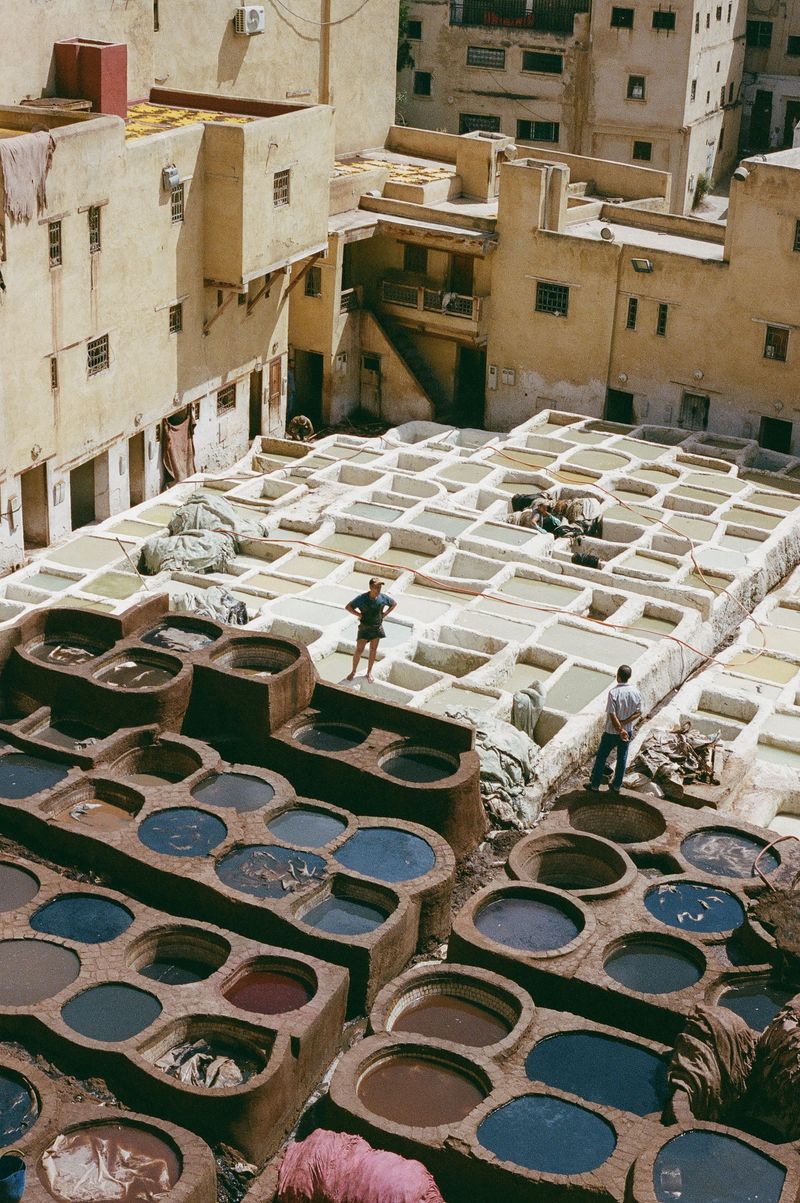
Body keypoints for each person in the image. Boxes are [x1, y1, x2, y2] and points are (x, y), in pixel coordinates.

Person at [587, 664, 642, 792]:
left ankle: (595, 785)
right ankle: (617, 786)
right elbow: (639, 712)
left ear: (618, 676)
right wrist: (625, 723)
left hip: (612, 732)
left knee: (601, 757)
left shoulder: (613, 693)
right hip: (627, 731)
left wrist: (619, 728)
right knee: (622, 758)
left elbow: (612, 714)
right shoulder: (636, 692)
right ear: (629, 677)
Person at [345, 578, 397, 683]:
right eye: (376, 587)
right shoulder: (362, 598)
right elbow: (348, 607)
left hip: (376, 627)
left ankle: (369, 672)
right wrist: (359, 614)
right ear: (370, 587)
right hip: (364, 628)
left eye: (379, 587)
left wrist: (385, 614)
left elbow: (393, 603)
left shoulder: (382, 598)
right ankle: (353, 671)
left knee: (373, 650)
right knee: (359, 650)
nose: (378, 589)